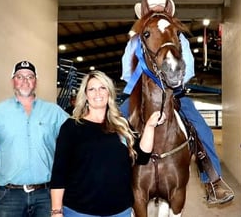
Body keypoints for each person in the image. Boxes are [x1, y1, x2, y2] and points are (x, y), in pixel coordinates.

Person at [120, 0, 234, 205]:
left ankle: (213, 181)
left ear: (167, 11)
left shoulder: (177, 36)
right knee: (112, 127)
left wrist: (173, 79)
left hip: (175, 94)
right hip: (140, 94)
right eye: (153, 7)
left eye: (160, 7)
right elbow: (127, 70)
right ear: (145, 12)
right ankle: (112, 180)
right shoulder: (136, 39)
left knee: (203, 130)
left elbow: (188, 66)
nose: (157, 10)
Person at [50, 70, 166, 217]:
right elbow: (59, 173)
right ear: (85, 95)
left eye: (102, 88)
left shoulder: (122, 125)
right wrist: (56, 211)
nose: (97, 93)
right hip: (80, 211)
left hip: (119, 211)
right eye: (92, 89)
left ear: (109, 93)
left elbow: (142, 156)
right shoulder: (71, 127)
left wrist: (149, 126)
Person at [0, 60, 69, 217]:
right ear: (12, 81)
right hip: (9, 197)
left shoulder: (54, 112)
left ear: (36, 81)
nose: (25, 81)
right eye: (20, 76)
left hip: (45, 196)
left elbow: (77, 134)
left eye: (30, 76)